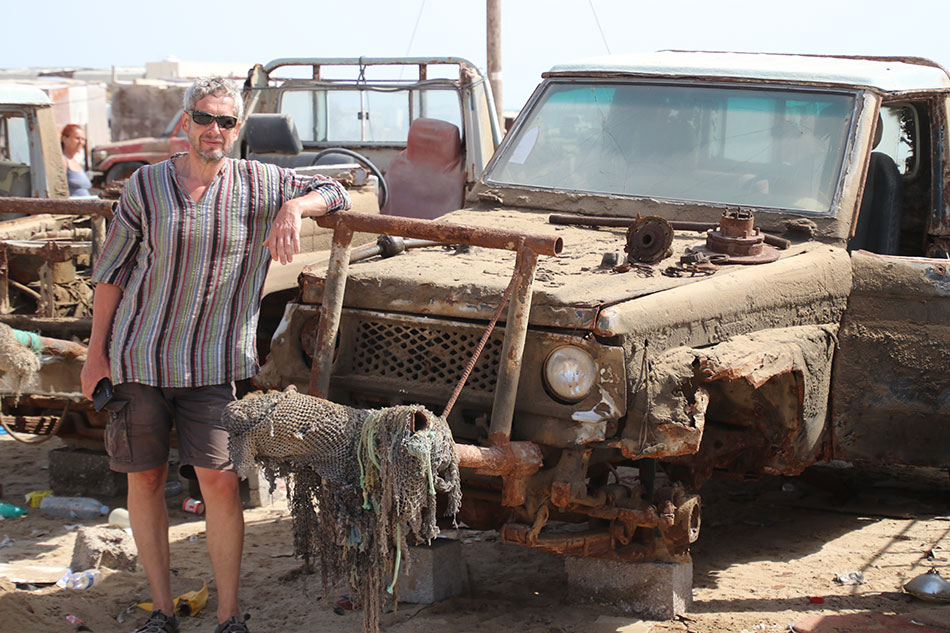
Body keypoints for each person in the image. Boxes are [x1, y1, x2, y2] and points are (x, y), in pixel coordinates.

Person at [80, 77, 351, 633]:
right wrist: (94, 355)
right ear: (186, 121)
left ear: (237, 129)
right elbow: (111, 274)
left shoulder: (261, 183)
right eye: (204, 118)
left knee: (221, 483)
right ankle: (161, 612)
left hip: (211, 365)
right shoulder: (146, 185)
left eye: (226, 122)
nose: (214, 130)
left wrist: (294, 208)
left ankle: (229, 616)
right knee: (145, 480)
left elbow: (336, 189)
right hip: (138, 358)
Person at [61, 123, 92, 196]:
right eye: (77, 138)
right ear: (64, 139)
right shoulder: (63, 161)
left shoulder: (77, 162)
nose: (81, 142)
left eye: (83, 139)